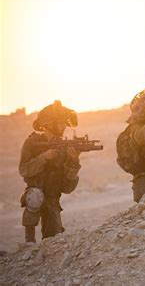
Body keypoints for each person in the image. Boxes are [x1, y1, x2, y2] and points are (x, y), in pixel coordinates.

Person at [19, 101, 81, 243]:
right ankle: (29, 241)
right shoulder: (33, 143)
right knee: (34, 196)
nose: (64, 126)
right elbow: (24, 170)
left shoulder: (65, 148)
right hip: (36, 192)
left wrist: (73, 162)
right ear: (49, 124)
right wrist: (44, 157)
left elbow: (67, 188)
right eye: (60, 123)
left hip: (53, 197)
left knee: (54, 240)